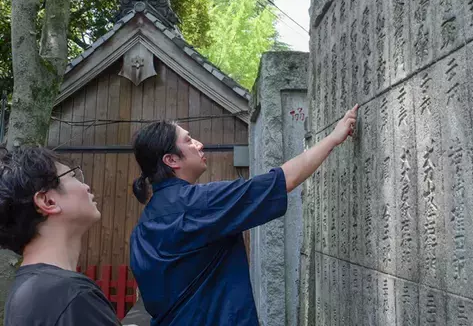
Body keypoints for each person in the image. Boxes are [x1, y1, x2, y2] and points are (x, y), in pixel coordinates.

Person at [129, 104, 358, 325]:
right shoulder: (201, 203)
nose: (199, 144)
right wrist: (333, 138)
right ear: (171, 160)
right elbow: (282, 180)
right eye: (188, 140)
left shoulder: (141, 230)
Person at [0, 147, 121, 325]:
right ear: (48, 201)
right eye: (73, 176)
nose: (86, 186)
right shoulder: (73, 297)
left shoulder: (25, 291)